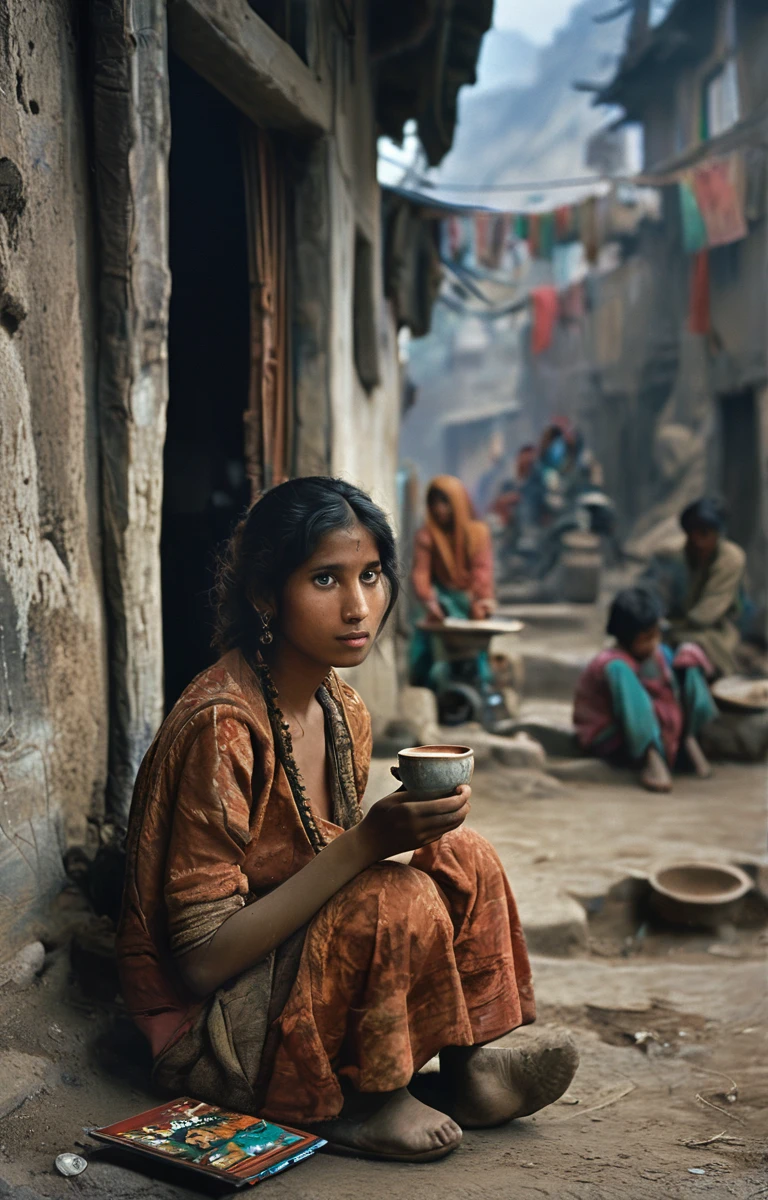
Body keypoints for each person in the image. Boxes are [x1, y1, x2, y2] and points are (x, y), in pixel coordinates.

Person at [118, 476, 577, 1165]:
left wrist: (400, 837)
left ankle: (466, 1070)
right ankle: (367, 1103)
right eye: (326, 579)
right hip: (211, 1029)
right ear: (267, 595)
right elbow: (199, 964)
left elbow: (317, 871)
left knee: (462, 854)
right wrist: (368, 844)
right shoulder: (225, 728)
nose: (359, 606)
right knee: (398, 896)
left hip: (287, 967)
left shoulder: (341, 709)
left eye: (370, 575)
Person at [573, 585, 718, 793]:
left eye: (656, 635)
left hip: (657, 727)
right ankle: (651, 757)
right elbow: (634, 704)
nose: (654, 643)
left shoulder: (657, 654)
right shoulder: (611, 663)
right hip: (613, 735)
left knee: (688, 656)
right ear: (626, 636)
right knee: (622, 671)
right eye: (646, 638)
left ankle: (689, 738)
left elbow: (669, 684)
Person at [409, 475, 496, 690]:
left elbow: (481, 571)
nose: (440, 509)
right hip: (442, 600)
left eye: (445, 502)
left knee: (477, 642)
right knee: (424, 642)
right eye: (434, 503)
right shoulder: (427, 536)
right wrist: (429, 601)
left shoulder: (478, 533)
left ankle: (480, 684)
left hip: (470, 599)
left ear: (457, 503)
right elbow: (421, 574)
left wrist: (479, 600)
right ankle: (427, 688)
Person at [644, 498, 746, 677]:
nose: (697, 540)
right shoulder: (672, 554)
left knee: (700, 654)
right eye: (692, 533)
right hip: (671, 625)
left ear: (717, 534)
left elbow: (707, 613)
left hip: (713, 630)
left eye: (704, 533)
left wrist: (670, 629)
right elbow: (655, 594)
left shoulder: (731, 558)